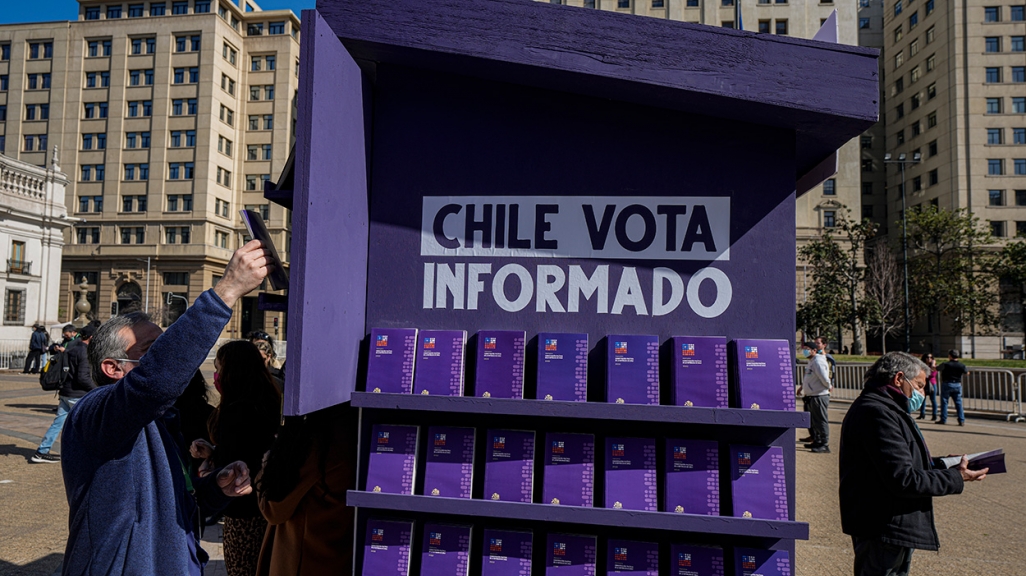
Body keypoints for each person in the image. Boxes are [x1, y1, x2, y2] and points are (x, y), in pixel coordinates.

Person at [59, 240, 272, 575]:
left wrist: (215, 488)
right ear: (113, 368)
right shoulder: (94, 410)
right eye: (152, 350)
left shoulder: (157, 421)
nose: (163, 357)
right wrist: (227, 291)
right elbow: (155, 382)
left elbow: (168, 509)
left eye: (164, 347)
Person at [839, 352, 987, 576]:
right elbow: (904, 478)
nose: (923, 393)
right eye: (919, 385)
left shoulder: (887, 408)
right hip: (883, 525)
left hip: (890, 523)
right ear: (899, 379)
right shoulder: (877, 412)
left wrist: (945, 464)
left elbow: (899, 461)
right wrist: (957, 477)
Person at [203, 340, 282, 576]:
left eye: (219, 369)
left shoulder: (236, 410)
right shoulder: (270, 398)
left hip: (242, 509)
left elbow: (234, 459)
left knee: (242, 569)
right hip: (266, 506)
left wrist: (211, 463)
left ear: (233, 371)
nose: (216, 375)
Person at [255, 403, 357, 576]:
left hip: (305, 558)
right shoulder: (355, 427)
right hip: (337, 556)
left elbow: (274, 508)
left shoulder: (319, 440)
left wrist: (268, 465)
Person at [31, 324, 96, 463]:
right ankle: (85, 455)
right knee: (86, 425)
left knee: (58, 424)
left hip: (65, 391)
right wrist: (96, 388)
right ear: (91, 337)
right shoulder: (84, 352)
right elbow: (82, 377)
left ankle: (42, 451)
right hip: (77, 394)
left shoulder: (72, 347)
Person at [801, 340, 832, 453]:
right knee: (814, 421)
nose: (804, 351)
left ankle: (824, 443)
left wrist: (828, 386)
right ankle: (817, 440)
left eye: (807, 349)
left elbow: (824, 377)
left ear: (814, 350)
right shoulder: (812, 361)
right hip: (812, 395)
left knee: (820, 420)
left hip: (819, 395)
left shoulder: (818, 361)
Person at [937, 350, 968, 426]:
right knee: (958, 403)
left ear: (950, 356)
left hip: (947, 383)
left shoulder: (946, 364)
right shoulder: (961, 365)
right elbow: (967, 373)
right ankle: (961, 420)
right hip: (957, 384)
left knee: (944, 402)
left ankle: (943, 419)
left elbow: (937, 369)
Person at [916, 353, 938, 421]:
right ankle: (922, 414)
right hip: (924, 384)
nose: (929, 359)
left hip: (932, 384)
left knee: (933, 400)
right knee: (922, 399)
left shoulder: (934, 366)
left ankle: (934, 415)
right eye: (927, 357)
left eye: (931, 357)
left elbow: (932, 374)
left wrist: (933, 365)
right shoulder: (922, 366)